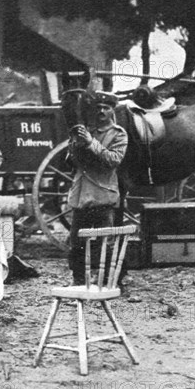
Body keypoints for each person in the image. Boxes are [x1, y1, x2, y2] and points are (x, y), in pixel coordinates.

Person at [66, 91, 128, 286]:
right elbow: (74, 163)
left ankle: (110, 282)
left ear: (112, 111)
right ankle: (78, 282)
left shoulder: (118, 134)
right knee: (76, 243)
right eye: (98, 108)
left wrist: (90, 143)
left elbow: (113, 160)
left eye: (106, 108)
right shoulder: (87, 130)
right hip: (81, 195)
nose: (101, 111)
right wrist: (75, 145)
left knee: (106, 243)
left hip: (102, 195)